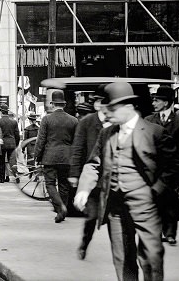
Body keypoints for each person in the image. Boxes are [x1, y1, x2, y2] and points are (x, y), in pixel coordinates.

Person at [75, 81, 179, 281]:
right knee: (123, 257)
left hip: (147, 206)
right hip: (115, 206)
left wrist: (155, 191)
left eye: (112, 109)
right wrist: (83, 189)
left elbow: (173, 166)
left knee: (150, 257)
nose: (107, 114)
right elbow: (93, 164)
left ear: (128, 107)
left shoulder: (154, 132)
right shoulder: (106, 133)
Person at [145, 85, 179, 246]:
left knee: (171, 200)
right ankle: (157, 232)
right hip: (154, 169)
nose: (154, 103)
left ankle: (170, 233)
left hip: (173, 169)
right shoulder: (149, 120)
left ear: (166, 103)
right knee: (155, 200)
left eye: (157, 100)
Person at [69, 85, 111, 261]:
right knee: (91, 216)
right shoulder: (86, 122)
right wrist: (74, 173)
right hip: (92, 177)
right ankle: (84, 244)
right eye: (97, 101)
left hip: (111, 181)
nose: (98, 104)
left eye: (101, 101)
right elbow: (77, 148)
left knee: (115, 220)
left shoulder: (115, 123)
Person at [35, 89, 78, 222]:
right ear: (63, 104)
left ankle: (60, 208)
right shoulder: (73, 120)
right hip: (67, 157)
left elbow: (41, 140)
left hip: (50, 157)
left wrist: (37, 156)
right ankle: (62, 212)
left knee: (50, 184)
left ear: (53, 104)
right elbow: (76, 142)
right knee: (64, 185)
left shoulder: (46, 119)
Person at [0, 108, 21, 184]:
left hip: (2, 143)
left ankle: (1, 178)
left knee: (1, 161)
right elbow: (17, 134)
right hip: (11, 143)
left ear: (1, 113)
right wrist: (16, 143)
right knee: (13, 161)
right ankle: (16, 174)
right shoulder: (14, 122)